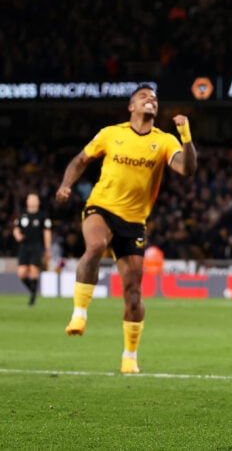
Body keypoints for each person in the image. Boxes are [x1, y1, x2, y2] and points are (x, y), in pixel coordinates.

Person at [55, 84, 197, 373]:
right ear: (131, 107)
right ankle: (79, 313)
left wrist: (186, 137)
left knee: (133, 294)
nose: (151, 101)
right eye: (144, 97)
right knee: (95, 246)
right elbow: (80, 160)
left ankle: (129, 356)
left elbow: (187, 169)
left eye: (155, 98)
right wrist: (66, 185)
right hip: (101, 208)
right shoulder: (111, 133)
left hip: (134, 222)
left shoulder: (165, 140)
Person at [13, 192, 52, 306]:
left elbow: (47, 233)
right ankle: (33, 291)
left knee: (34, 272)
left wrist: (47, 249)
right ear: (27, 202)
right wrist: (17, 235)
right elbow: (16, 228)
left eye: (34, 199)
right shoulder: (22, 215)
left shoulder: (43, 216)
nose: (32, 201)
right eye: (30, 199)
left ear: (38, 202)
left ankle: (33, 299)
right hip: (24, 246)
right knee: (21, 273)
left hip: (37, 246)